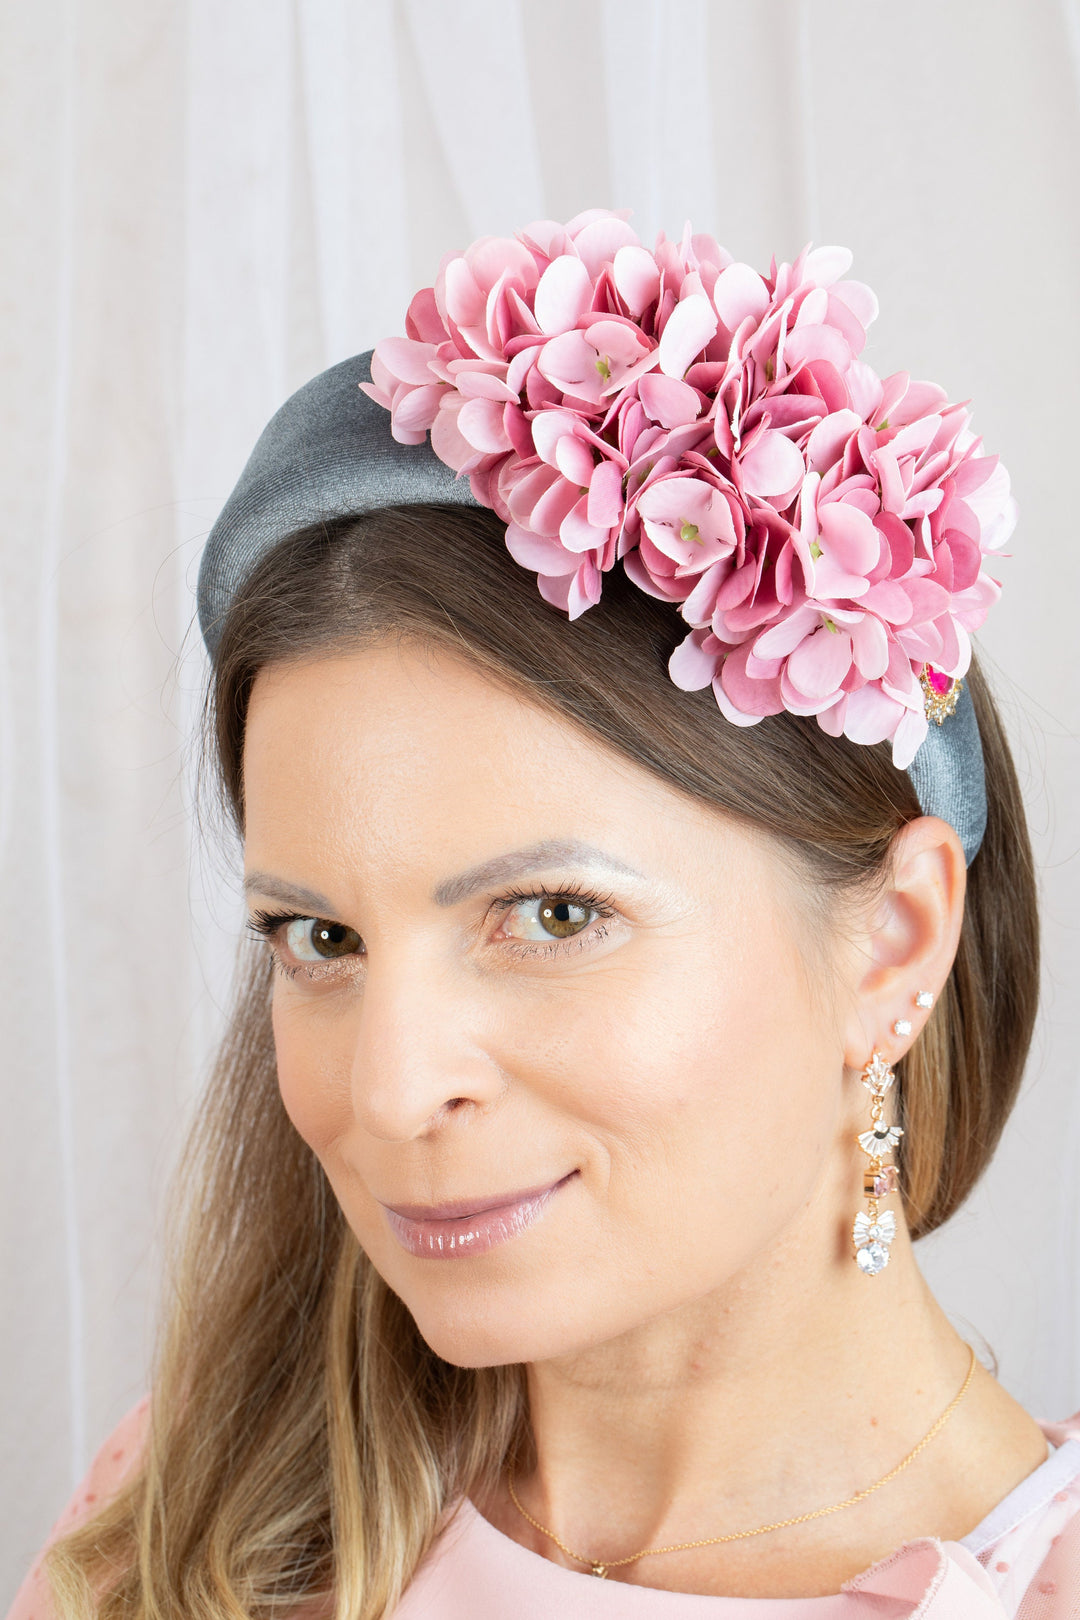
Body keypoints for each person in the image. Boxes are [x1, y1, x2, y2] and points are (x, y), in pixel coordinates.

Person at [10, 210, 1078, 1620]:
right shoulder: (191, 1527)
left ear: (892, 943)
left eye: (556, 914)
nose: (390, 1091)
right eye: (320, 939)